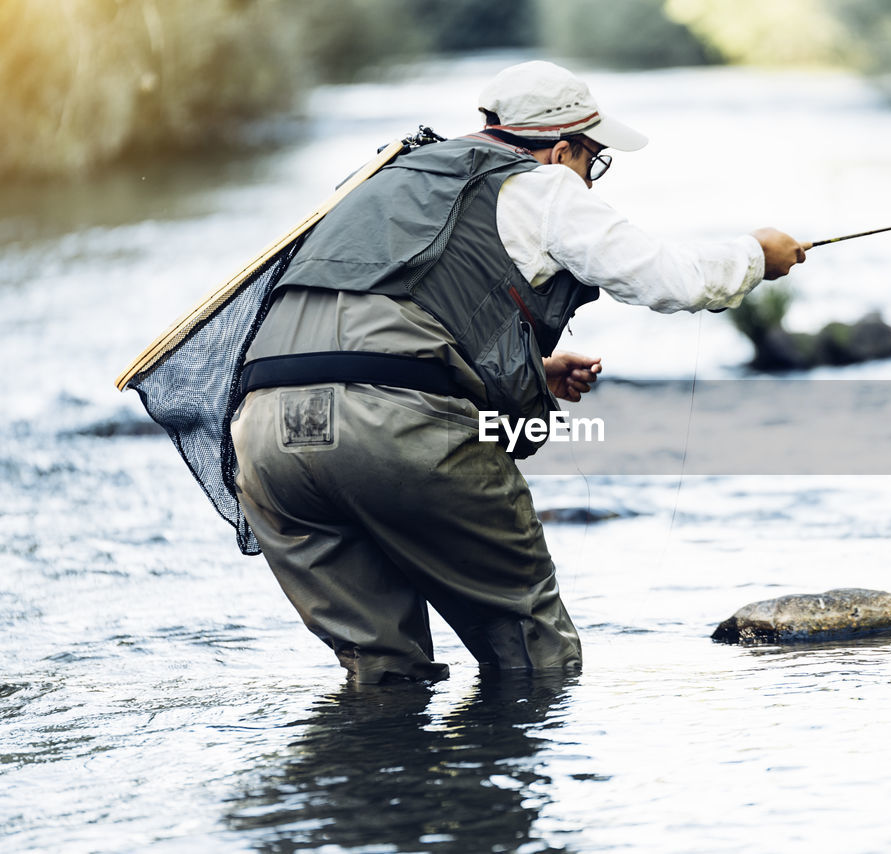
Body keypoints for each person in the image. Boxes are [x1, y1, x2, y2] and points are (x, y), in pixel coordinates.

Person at [230, 60, 808, 684]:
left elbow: (379, 315)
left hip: (263, 439)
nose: (590, 178)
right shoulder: (543, 184)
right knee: (534, 660)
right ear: (562, 149)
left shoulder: (384, 179)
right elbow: (673, 278)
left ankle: (376, 780)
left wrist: (526, 369)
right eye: (594, 160)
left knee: (382, 669)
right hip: (396, 423)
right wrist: (756, 255)